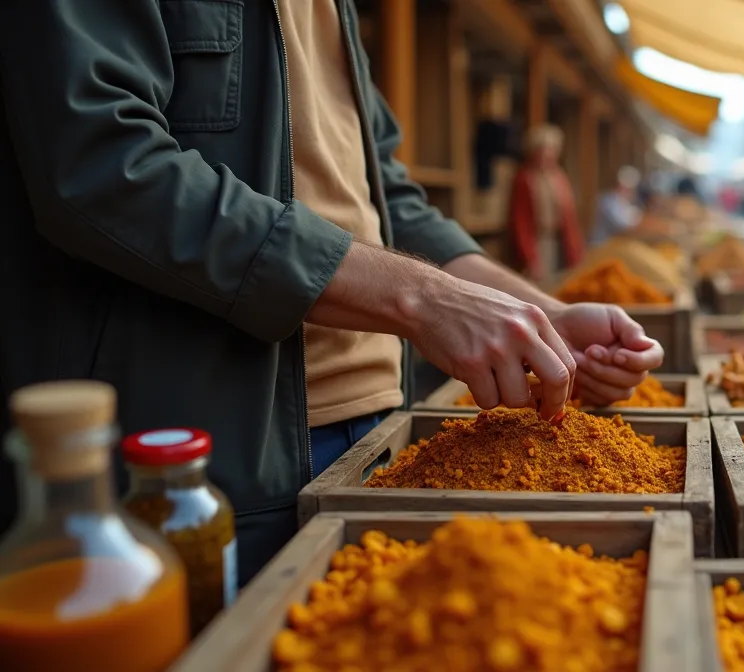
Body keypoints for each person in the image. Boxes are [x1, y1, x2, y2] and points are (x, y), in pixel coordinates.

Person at [0, 0, 665, 582]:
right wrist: (420, 299)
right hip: (217, 455)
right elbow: (106, 169)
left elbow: (389, 200)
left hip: (386, 435)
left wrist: (541, 316)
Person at [509, 125, 585, 283]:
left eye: (551, 149)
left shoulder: (559, 177)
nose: (546, 154)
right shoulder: (525, 178)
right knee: (540, 282)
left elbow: (570, 218)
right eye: (541, 149)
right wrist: (530, 257)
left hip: (559, 242)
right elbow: (520, 221)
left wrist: (576, 252)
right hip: (538, 241)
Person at [592, 166, 642, 245]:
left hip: (613, 246)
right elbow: (625, 228)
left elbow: (636, 219)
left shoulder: (623, 202)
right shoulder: (608, 202)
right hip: (601, 247)